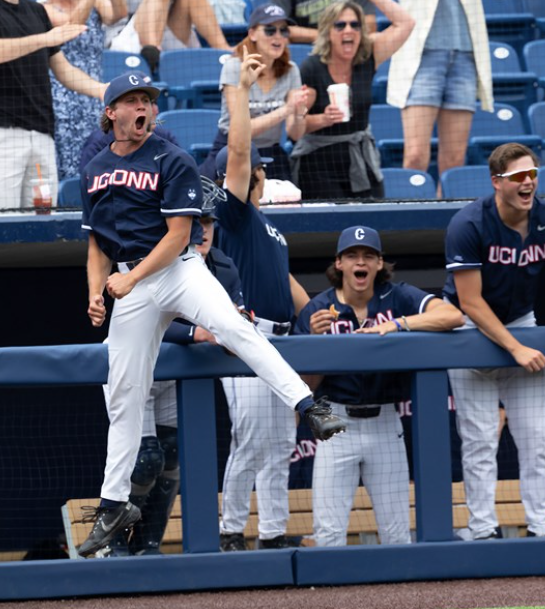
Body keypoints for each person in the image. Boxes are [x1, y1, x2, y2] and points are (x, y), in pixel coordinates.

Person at [77, 69, 347, 558]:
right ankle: (114, 502)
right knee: (123, 392)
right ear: (112, 111)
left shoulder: (171, 157)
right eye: (134, 100)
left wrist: (129, 281)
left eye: (149, 100)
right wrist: (98, 290)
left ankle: (310, 407)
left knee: (235, 329)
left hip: (175, 270)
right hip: (128, 279)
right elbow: (96, 242)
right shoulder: (94, 167)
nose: (144, 107)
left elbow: (180, 235)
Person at [443, 142, 545, 540]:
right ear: (496, 182)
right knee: (480, 441)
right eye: (518, 177)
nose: (528, 183)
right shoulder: (468, 224)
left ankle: (542, 528)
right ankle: (484, 529)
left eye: (532, 175)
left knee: (536, 437)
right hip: (471, 332)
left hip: (521, 322)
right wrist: (516, 348)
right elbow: (469, 302)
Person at [295, 226, 463, 547]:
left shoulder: (396, 296)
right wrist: (315, 341)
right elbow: (306, 387)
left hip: (385, 421)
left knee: (396, 534)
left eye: (369, 256)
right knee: (328, 535)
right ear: (340, 263)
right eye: (353, 256)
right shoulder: (318, 309)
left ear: (379, 263)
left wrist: (399, 324)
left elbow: (452, 316)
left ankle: (399, 600)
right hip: (335, 424)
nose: (361, 262)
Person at [105, 177, 237, 557]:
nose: (203, 230)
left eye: (208, 222)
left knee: (170, 457)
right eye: (197, 223)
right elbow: (146, 312)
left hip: (171, 374)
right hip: (134, 365)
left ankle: (148, 543)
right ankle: (115, 542)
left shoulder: (222, 266)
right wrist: (197, 331)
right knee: (144, 461)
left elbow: (229, 317)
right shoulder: (149, 255)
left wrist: (235, 323)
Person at [214, 51, 312, 552]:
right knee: (251, 442)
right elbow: (236, 152)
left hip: (280, 339)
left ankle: (272, 533)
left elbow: (288, 283)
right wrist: (241, 89)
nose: (259, 171)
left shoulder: (267, 224)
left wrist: (315, 312)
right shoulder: (232, 215)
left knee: (279, 445)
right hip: (245, 338)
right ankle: (232, 530)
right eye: (255, 169)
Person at [0, 0, 107, 211]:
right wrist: (45, 38)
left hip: (41, 137)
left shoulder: (36, 10)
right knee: (1, 223)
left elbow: (63, 69)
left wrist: (103, 90)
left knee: (43, 223)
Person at [290, 0, 413, 202]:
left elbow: (406, 23)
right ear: (328, 32)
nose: (349, 30)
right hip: (319, 164)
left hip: (361, 158)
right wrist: (324, 118)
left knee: (374, 219)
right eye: (340, 25)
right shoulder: (312, 68)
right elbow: (295, 130)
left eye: (355, 25)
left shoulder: (367, 57)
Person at [199, 3, 310, 182]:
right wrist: (286, 110)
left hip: (270, 152)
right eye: (270, 30)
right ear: (252, 34)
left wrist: (298, 112)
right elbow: (239, 129)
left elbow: (296, 134)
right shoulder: (235, 67)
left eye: (284, 31)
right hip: (231, 149)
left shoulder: (291, 71)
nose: (278, 36)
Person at [387, 0, 491, 186]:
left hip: (465, 57)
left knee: (455, 160)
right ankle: (411, 207)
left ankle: (446, 211)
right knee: (415, 155)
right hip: (421, 57)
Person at [44, 0, 128, 180]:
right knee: (70, 165)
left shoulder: (95, 5)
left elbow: (119, 14)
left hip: (93, 92)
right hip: (62, 98)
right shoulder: (44, 9)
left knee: (97, 155)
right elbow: (72, 27)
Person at [108, 0, 235, 72]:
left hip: (167, 34)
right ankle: (151, 51)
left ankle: (223, 49)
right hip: (128, 42)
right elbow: (115, 15)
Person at [273, 0, 376, 44]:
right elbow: (277, 28)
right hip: (307, 48)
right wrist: (327, 36)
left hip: (348, 47)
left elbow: (370, 27)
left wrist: (342, 35)